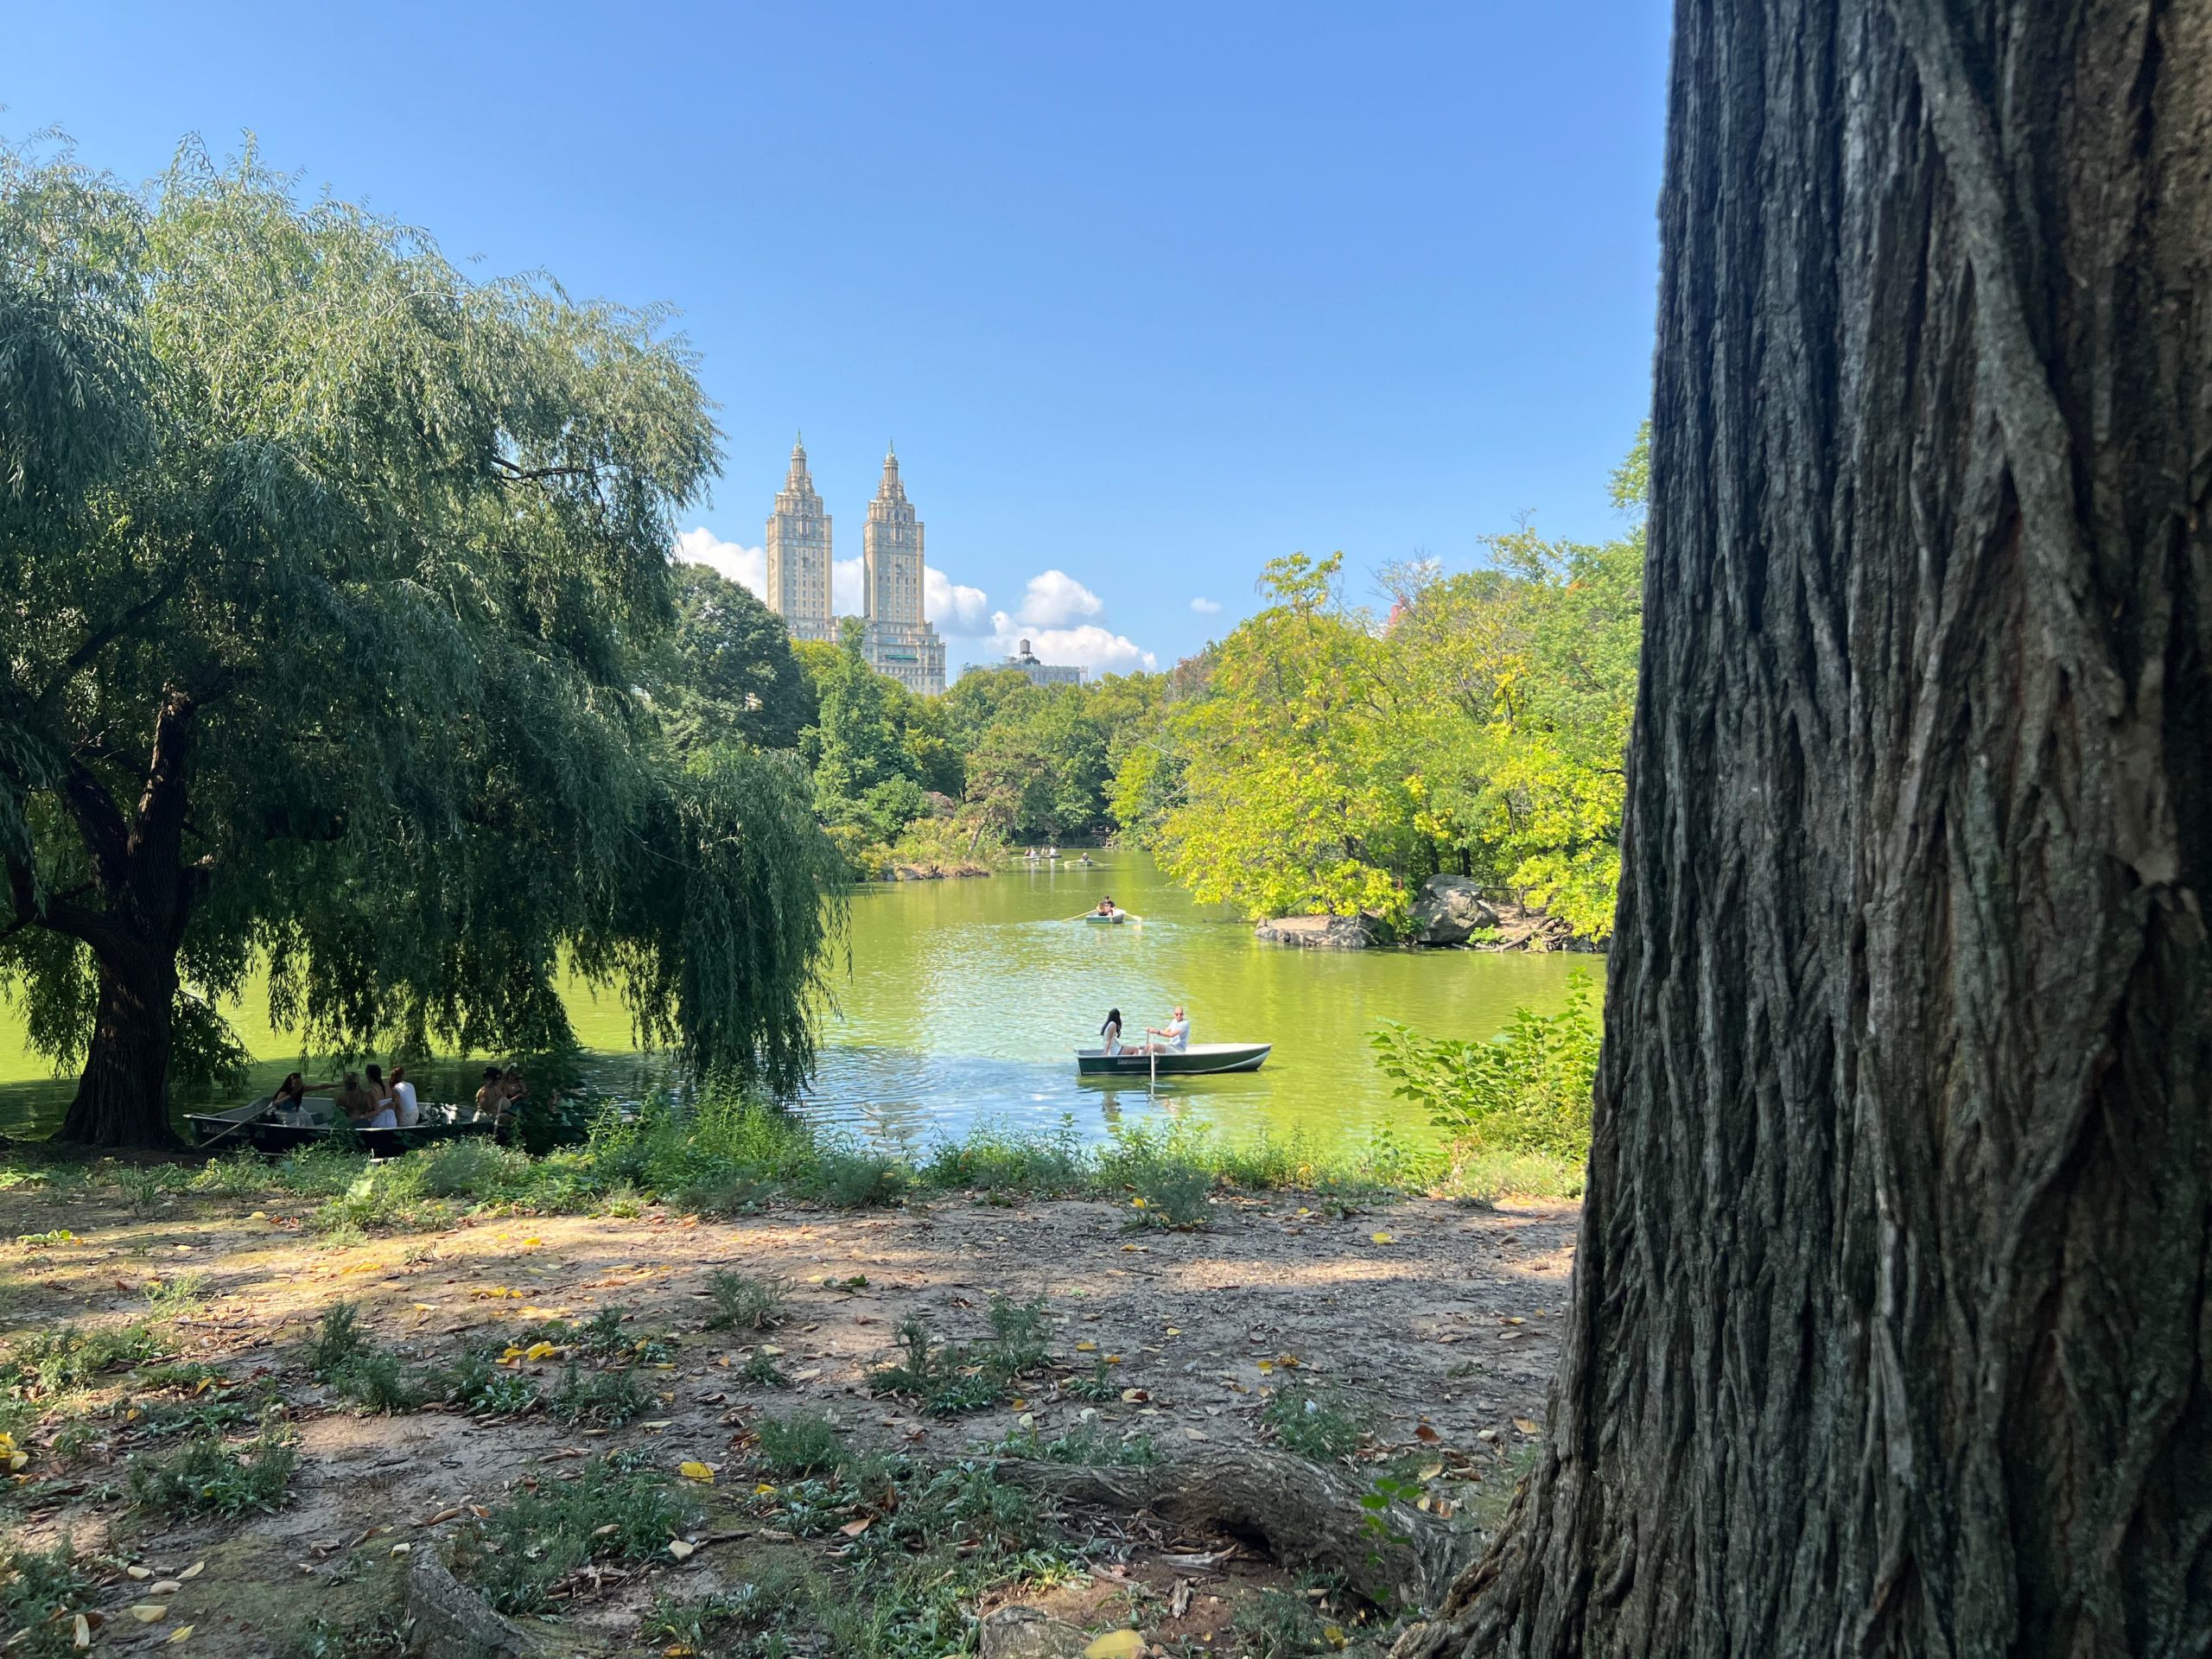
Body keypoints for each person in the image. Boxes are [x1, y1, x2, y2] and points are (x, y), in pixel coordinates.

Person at [388, 1064, 421, 1128]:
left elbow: (398, 1108)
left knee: (394, 1107)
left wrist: (397, 1125)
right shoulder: (411, 1085)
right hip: (416, 1116)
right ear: (403, 1075)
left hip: (406, 1118)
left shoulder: (395, 1089)